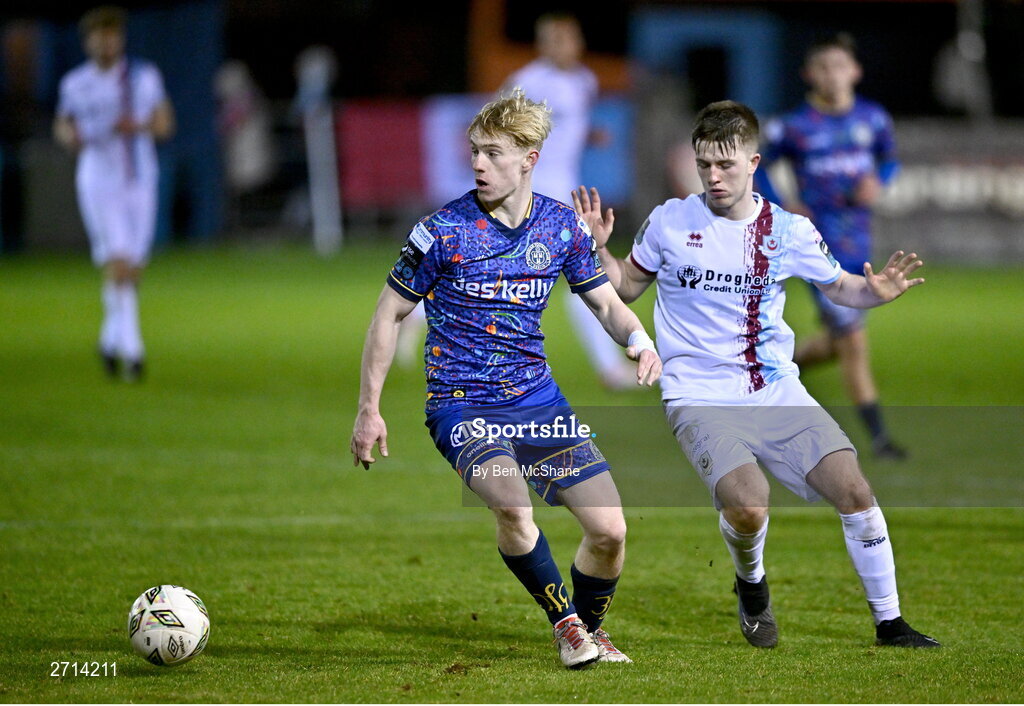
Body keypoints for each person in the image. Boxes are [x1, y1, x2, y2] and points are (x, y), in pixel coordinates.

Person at [574, 100, 939, 649]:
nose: (713, 176)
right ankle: (752, 586)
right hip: (697, 395)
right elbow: (625, 286)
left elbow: (842, 286)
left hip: (776, 389)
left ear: (753, 161)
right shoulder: (670, 221)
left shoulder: (788, 231)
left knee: (856, 492)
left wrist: (877, 292)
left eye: (725, 164)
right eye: (704, 165)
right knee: (748, 505)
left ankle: (890, 624)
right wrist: (598, 248)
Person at [350, 89, 662, 669]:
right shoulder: (442, 231)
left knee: (611, 532)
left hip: (539, 403)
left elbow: (606, 306)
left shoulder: (560, 227)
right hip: (461, 404)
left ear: (530, 158)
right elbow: (387, 314)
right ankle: (568, 626)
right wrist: (370, 409)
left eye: (493, 153)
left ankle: (590, 630)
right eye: (474, 152)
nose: (478, 164)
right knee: (514, 509)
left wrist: (640, 342)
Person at [756, 34, 905, 459]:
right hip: (816, 247)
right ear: (808, 74)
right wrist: (785, 206)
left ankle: (769, 371)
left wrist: (881, 180)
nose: (832, 75)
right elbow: (760, 167)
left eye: (840, 66)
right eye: (822, 67)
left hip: (861, 243)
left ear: (854, 71)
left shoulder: (873, 119)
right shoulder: (795, 126)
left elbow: (889, 159)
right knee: (853, 341)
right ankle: (879, 438)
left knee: (838, 341)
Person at [502, 12, 637, 391]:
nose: (562, 46)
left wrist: (588, 133)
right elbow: (499, 131)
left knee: (572, 274)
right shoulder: (526, 82)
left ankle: (417, 310)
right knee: (576, 274)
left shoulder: (583, 80)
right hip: (528, 191)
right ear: (541, 45)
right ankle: (418, 310)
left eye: (568, 38)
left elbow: (566, 125)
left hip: (563, 191)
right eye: (553, 40)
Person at [54, 5, 175, 381]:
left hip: (140, 177)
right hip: (99, 179)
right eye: (99, 35)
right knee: (119, 262)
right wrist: (69, 137)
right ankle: (134, 352)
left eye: (112, 35)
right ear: (88, 41)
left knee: (133, 268)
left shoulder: (142, 76)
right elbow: (63, 124)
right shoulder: (76, 83)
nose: (107, 42)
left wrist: (138, 126)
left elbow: (164, 124)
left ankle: (109, 341)